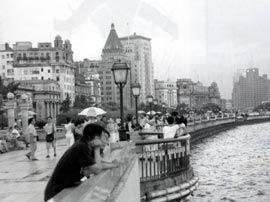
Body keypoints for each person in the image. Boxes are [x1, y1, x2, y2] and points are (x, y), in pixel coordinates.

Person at [44, 123, 119, 201]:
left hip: (66, 190)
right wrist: (97, 148)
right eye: (104, 137)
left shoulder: (86, 146)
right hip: (56, 194)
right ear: (96, 138)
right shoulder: (81, 147)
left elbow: (98, 164)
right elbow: (97, 169)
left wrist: (113, 165)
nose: (106, 142)